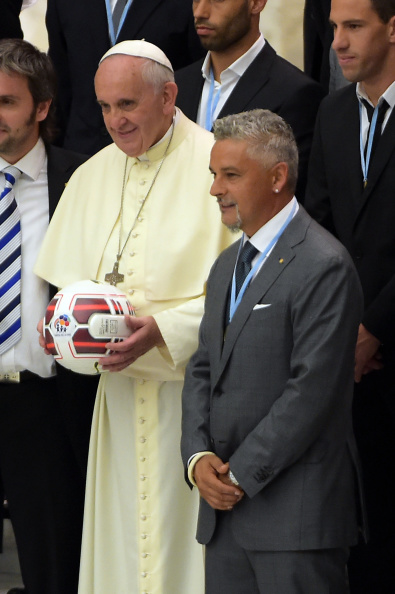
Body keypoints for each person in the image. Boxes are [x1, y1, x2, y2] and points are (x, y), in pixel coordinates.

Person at [35, 39, 235, 594]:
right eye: (103, 107)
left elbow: (244, 292)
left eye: (127, 105)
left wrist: (164, 332)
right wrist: (59, 331)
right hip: (118, 407)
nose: (114, 122)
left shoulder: (219, 162)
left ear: (169, 96)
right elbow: (66, 286)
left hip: (193, 406)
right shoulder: (92, 174)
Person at [181, 109, 365, 594]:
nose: (215, 188)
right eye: (214, 175)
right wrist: (197, 457)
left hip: (296, 522)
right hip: (223, 519)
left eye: (231, 175)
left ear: (278, 176)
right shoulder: (225, 265)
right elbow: (202, 369)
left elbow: (311, 392)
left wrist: (238, 474)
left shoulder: (325, 264)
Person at [304, 0, 395, 591]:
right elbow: (318, 227)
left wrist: (376, 328)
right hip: (346, 361)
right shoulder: (334, 112)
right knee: (357, 528)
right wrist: (342, 332)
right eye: (334, 27)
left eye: (354, 26)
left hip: (385, 342)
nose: (338, 41)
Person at [0, 38, 94, 594]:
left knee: (51, 563)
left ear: (42, 106)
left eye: (8, 102)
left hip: (44, 404)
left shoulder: (79, 181)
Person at [175, 0, 324, 200]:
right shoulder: (176, 85)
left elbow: (288, 202)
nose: (200, 12)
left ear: (256, 3)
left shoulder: (296, 94)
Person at [45, 0, 205, 155]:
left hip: (165, 155)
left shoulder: (191, 5)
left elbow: (197, 76)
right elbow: (60, 83)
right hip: (80, 152)